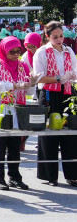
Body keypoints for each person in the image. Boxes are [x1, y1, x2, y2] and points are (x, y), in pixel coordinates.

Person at [0, 36, 35, 190]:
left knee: (14, 145)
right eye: (12, 51)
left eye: (18, 50)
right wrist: (14, 85)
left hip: (17, 108)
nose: (16, 54)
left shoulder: (23, 65)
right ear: (4, 50)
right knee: (0, 145)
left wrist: (31, 83)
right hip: (0, 107)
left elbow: (29, 91)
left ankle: (14, 176)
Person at [33, 21, 77, 187]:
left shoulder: (68, 50)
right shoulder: (42, 52)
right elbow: (38, 77)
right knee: (49, 134)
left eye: (61, 36)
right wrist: (58, 78)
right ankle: (49, 175)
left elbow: (75, 71)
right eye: (55, 37)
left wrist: (71, 77)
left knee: (71, 133)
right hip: (50, 93)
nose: (59, 40)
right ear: (47, 36)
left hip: (67, 93)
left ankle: (73, 174)